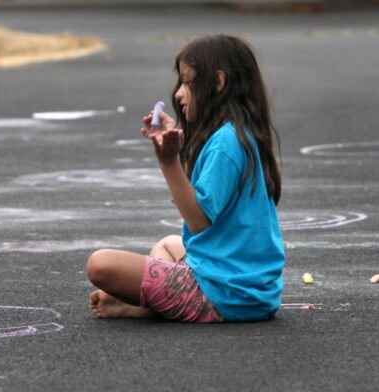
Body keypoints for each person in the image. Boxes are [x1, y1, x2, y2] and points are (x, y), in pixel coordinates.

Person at [86, 34, 285, 323]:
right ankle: (152, 303)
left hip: (224, 295)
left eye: (188, 82)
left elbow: (199, 220)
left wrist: (169, 162)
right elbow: (205, 200)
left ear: (218, 82)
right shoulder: (239, 135)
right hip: (252, 291)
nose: (179, 93)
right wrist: (177, 143)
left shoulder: (225, 143)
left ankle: (148, 308)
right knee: (168, 245)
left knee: (100, 265)